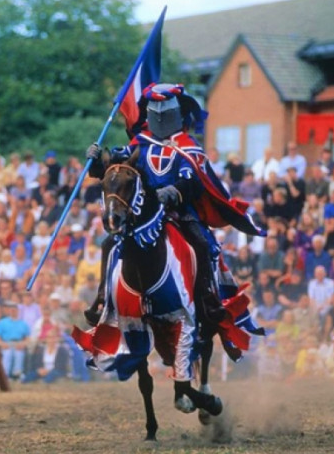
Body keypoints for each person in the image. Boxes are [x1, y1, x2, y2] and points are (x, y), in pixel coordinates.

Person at [86, 82, 264, 324]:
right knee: (110, 243)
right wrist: (97, 159)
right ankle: (103, 300)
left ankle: (208, 300)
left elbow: (193, 183)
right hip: (144, 211)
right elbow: (115, 168)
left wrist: (171, 192)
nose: (159, 116)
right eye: (154, 110)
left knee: (201, 244)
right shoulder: (140, 142)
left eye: (164, 111)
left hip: (179, 211)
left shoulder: (190, 147)